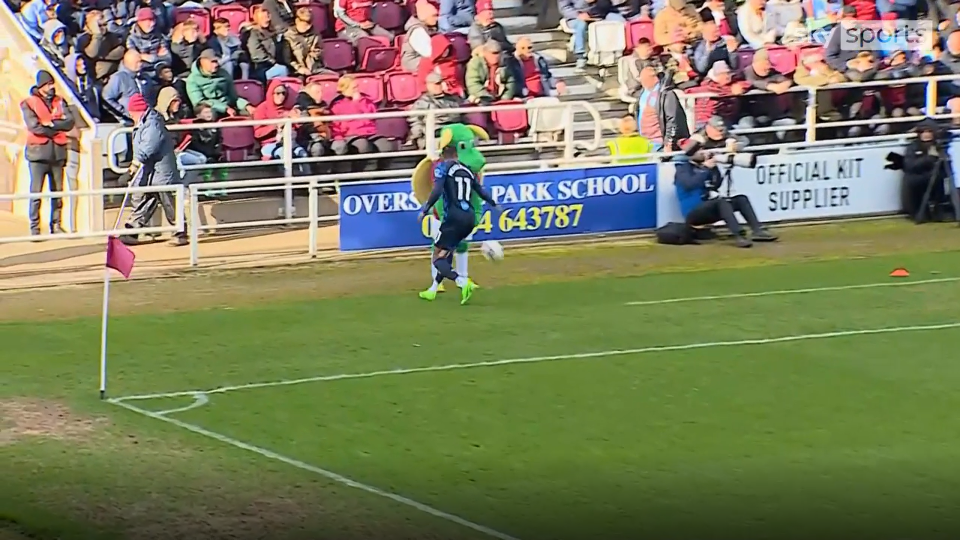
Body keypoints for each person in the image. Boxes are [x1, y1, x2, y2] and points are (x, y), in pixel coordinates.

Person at [416, 144, 498, 305]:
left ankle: (461, 281)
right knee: (447, 252)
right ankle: (433, 289)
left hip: (453, 218)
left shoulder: (443, 168)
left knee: (437, 256)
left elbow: (437, 190)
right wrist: (494, 204)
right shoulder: (467, 169)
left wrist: (425, 209)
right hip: (469, 218)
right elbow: (480, 191)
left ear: (443, 155)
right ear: (456, 155)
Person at [675, 137, 776, 248]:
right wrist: (705, 168)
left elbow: (716, 184)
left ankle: (758, 230)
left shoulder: (703, 166)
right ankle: (738, 235)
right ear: (691, 153)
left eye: (703, 148)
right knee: (721, 202)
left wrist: (714, 168)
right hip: (692, 213)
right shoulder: (682, 168)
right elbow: (690, 185)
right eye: (699, 150)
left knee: (741, 199)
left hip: (709, 208)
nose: (703, 152)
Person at [120, 93, 188, 246]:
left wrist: (132, 168)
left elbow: (149, 147)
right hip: (150, 170)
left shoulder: (152, 123)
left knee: (168, 200)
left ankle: (180, 231)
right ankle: (133, 230)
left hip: (161, 170)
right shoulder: (145, 122)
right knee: (146, 198)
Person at [21, 70, 75, 236]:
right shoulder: (28, 103)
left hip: (58, 153)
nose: (51, 87)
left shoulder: (60, 101)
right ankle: (35, 227)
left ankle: (56, 225)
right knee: (36, 192)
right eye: (48, 84)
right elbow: (34, 126)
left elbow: (69, 122)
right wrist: (54, 129)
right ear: (41, 86)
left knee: (58, 192)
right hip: (38, 154)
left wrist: (51, 124)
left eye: (52, 84)